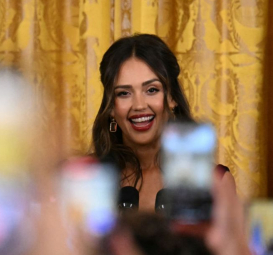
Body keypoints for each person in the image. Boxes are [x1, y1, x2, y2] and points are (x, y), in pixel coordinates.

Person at [92, 34, 237, 212]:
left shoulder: (216, 183)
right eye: (124, 93)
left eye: (151, 90)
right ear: (111, 108)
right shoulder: (89, 181)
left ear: (172, 98)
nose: (139, 105)